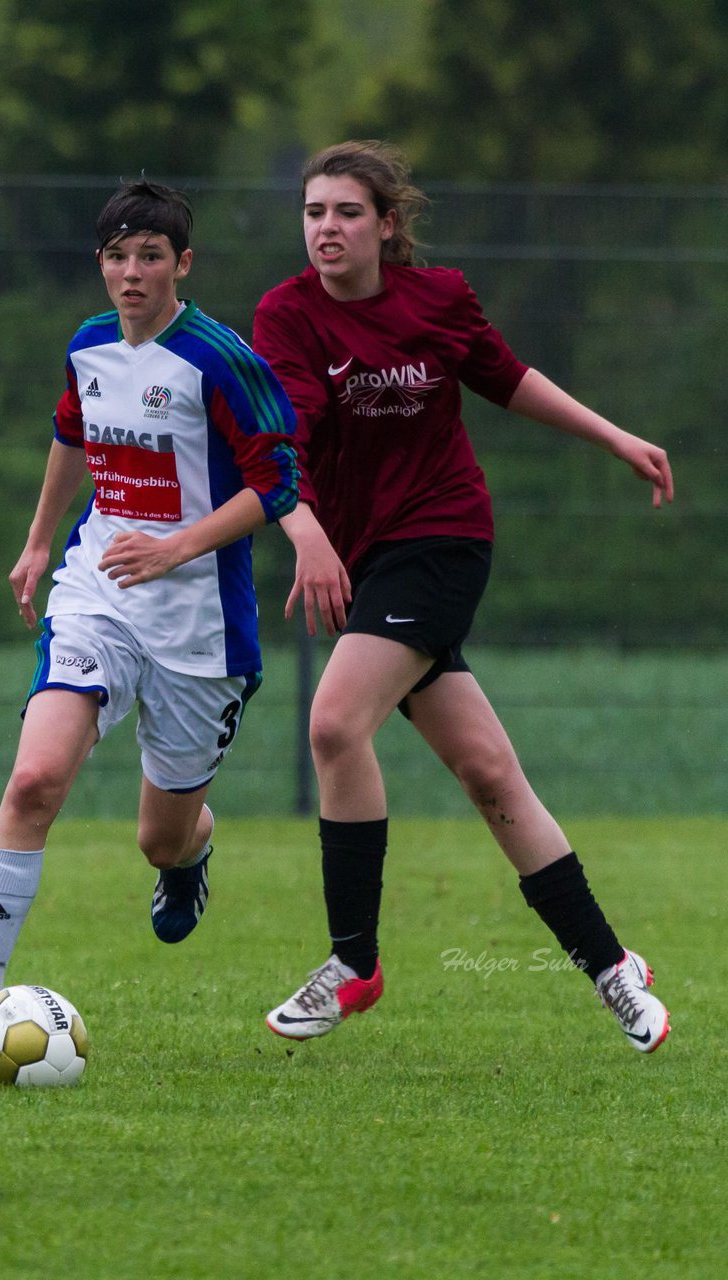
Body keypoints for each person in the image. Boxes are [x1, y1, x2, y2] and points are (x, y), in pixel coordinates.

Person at [252, 140, 673, 1053]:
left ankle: (353, 964)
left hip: (443, 540)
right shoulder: (285, 315)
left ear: (387, 224)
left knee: (332, 725)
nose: (327, 227)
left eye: (347, 212)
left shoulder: (438, 299)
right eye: (314, 212)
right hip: (365, 557)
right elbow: (285, 435)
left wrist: (614, 438)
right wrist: (309, 534)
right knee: (489, 775)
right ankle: (613, 969)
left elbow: (508, 380)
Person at [0, 179, 298, 1045]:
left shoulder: (220, 360)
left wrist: (176, 547)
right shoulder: (89, 346)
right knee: (34, 780)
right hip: (97, 596)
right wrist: (36, 541)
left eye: (150, 258)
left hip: (200, 631)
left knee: (159, 839)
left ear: (182, 265)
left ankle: (191, 855)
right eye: (117, 257)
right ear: (99, 264)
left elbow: (278, 483)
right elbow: (71, 435)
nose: (131, 274)